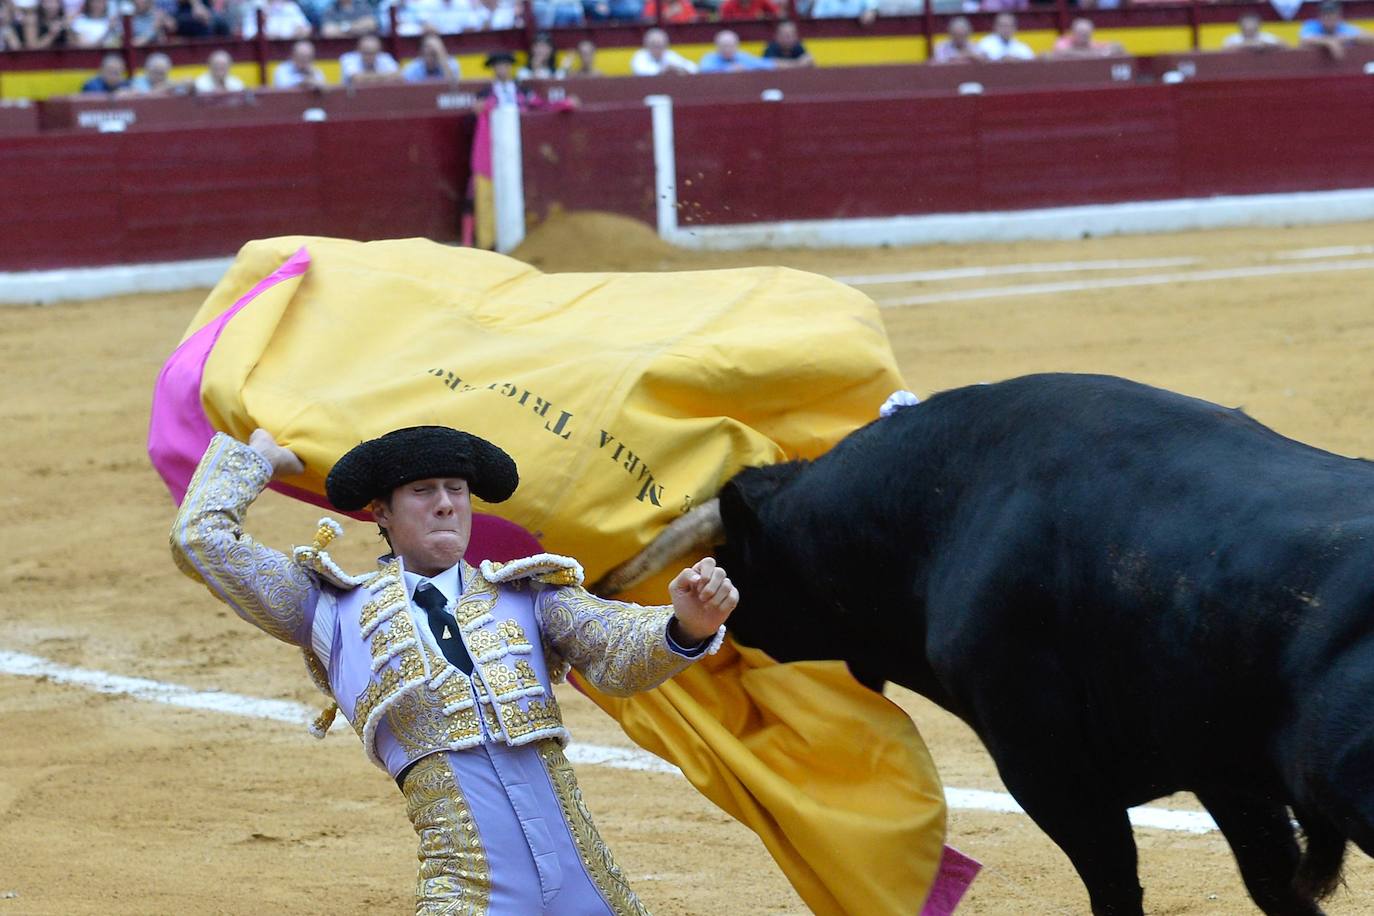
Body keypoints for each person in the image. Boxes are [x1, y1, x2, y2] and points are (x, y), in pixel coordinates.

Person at [170, 426, 737, 914]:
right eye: (423, 491)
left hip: (588, 880)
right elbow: (202, 538)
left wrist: (684, 625)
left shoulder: (528, 595)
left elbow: (617, 650)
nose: (445, 504)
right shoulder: (330, 611)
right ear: (381, 513)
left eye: (456, 490)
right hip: (469, 888)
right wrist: (258, 463)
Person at [1300, 0, 1373, 58]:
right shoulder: (1311, 25)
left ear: (1339, 17)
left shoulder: (1343, 28)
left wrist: (1350, 38)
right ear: (1319, 17)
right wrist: (1329, 42)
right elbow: (1305, 40)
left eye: (1332, 15)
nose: (1328, 18)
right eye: (1325, 15)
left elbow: (1371, 37)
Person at [699, 29, 776, 72]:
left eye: (731, 46)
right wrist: (728, 70)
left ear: (736, 46)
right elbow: (704, 72)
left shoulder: (742, 56)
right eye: (724, 46)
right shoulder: (709, 58)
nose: (727, 49)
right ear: (717, 47)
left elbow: (767, 64)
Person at [1047, 16, 1123, 58]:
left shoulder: (1092, 44)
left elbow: (1118, 46)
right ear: (1073, 33)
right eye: (1081, 34)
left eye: (1087, 34)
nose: (1084, 37)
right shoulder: (1063, 42)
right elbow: (1061, 52)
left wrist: (1104, 53)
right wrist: (1095, 54)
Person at [630, 26, 696, 75]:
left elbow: (693, 68)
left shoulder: (669, 55)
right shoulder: (640, 55)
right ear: (647, 45)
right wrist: (664, 70)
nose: (657, 49)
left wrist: (679, 68)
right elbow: (641, 71)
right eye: (654, 45)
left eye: (661, 46)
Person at [241, 0, 311, 38]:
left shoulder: (290, 7)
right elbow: (248, 35)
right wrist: (268, 35)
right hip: (264, 51)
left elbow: (306, 29)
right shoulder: (256, 7)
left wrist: (295, 33)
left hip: (289, 49)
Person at [810, 0, 875, 26]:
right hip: (830, 41)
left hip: (859, 41)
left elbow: (872, 8)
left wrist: (871, 12)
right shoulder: (823, 1)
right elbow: (815, 20)